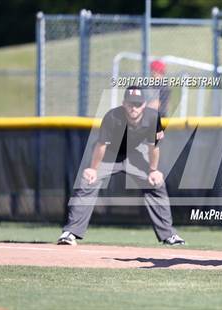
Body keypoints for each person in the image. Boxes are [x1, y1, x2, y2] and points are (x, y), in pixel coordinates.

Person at [57, 86, 185, 246]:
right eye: (131, 103)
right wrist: (93, 169)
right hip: (110, 154)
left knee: (157, 183)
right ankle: (70, 233)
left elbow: (154, 147)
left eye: (138, 104)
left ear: (144, 105)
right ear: (124, 103)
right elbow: (101, 145)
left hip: (136, 153)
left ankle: (168, 235)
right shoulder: (112, 117)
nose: (134, 108)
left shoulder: (153, 117)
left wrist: (153, 170)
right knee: (87, 181)